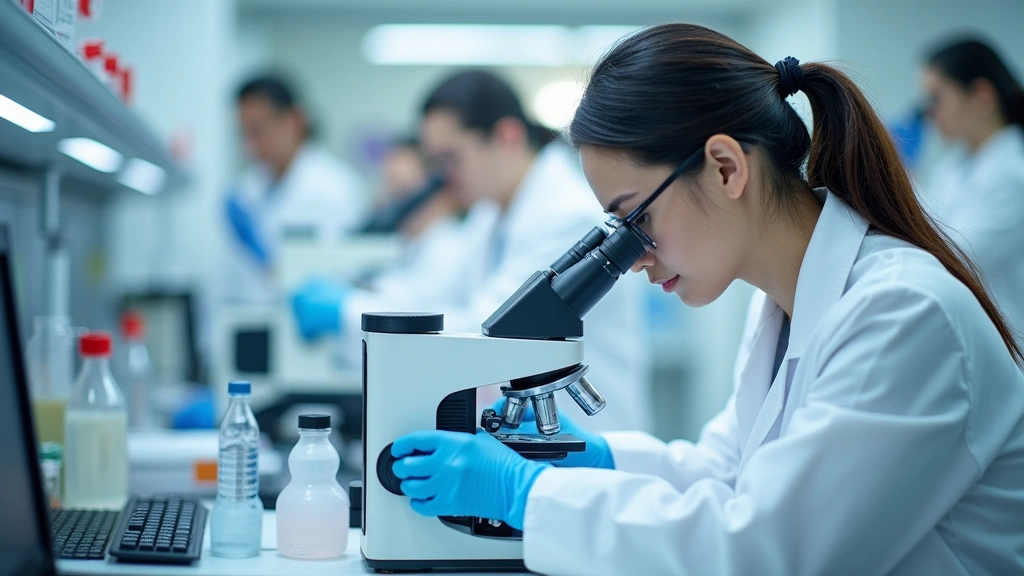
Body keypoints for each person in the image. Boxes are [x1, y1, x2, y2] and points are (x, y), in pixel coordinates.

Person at [387, 24, 1024, 575]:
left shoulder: (905, 313)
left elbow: (765, 552)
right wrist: (601, 459)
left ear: (725, 167)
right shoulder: (782, 302)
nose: (633, 256)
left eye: (635, 217)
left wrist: (529, 493)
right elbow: (727, 473)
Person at [292, 71, 652, 432]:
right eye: (435, 162)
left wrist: (346, 312)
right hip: (529, 431)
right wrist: (357, 300)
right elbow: (433, 296)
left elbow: (490, 332)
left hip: (591, 442)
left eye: (451, 158)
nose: (444, 178)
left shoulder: (566, 214)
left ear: (507, 136)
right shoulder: (490, 213)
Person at [222, 74, 367, 305]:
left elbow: (344, 273)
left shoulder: (336, 189)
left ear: (294, 120)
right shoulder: (245, 192)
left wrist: (273, 267)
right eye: (244, 133)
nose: (250, 145)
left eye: (258, 130)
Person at [918, 38, 1024, 349]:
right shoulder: (953, 168)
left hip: (1011, 348)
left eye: (936, 98)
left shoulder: (1014, 173)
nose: (930, 114)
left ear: (981, 94)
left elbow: (952, 257)